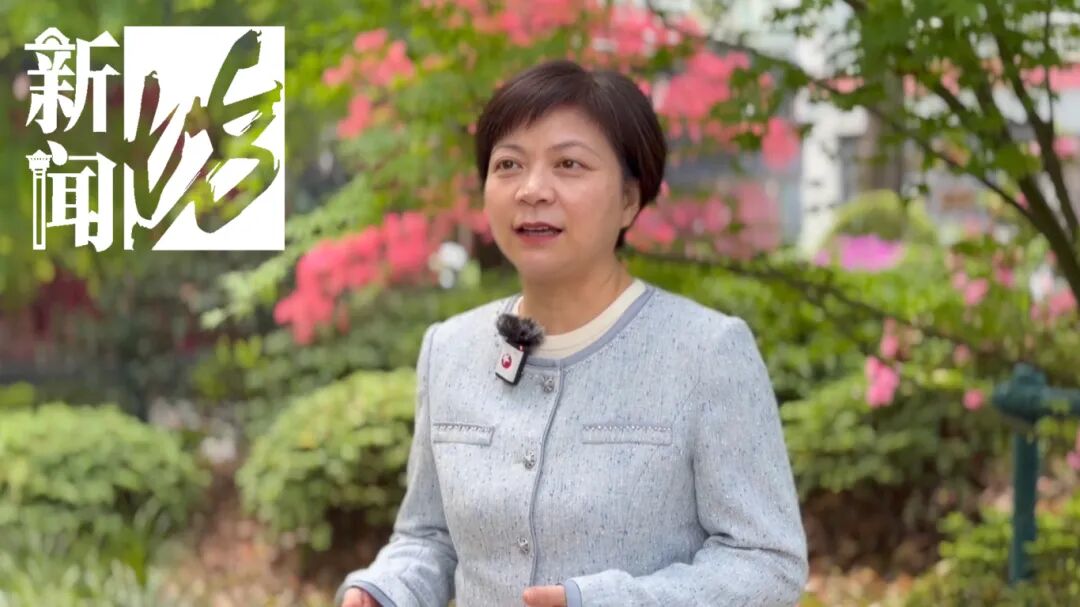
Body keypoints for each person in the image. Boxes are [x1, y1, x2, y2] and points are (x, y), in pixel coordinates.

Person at [337, 59, 808, 607]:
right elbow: (429, 537)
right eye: (508, 164)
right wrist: (383, 590)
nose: (532, 189)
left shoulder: (707, 352)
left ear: (629, 198)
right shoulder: (449, 349)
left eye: (569, 164)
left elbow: (766, 562)